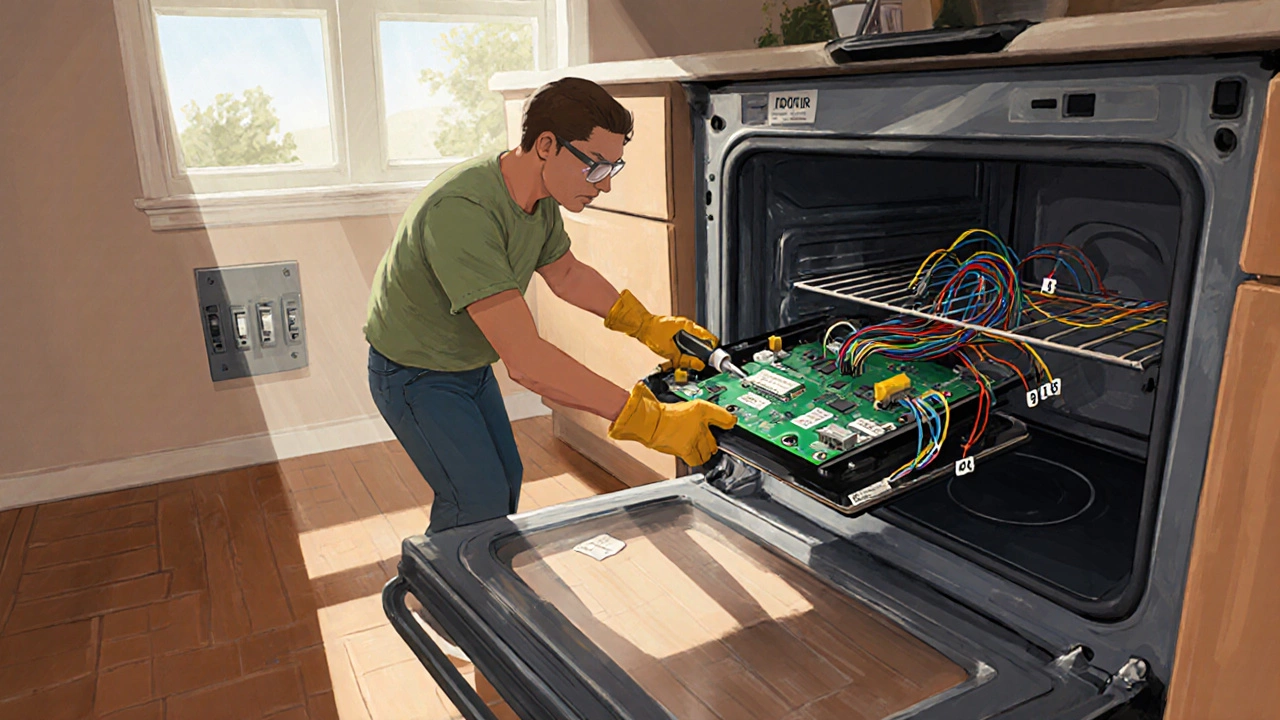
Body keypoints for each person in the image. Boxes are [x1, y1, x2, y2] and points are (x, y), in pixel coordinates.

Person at [364, 76, 737, 537]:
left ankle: (473, 587)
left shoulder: (537, 199)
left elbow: (566, 274)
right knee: (475, 499)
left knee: (504, 481)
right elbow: (527, 362)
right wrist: (651, 420)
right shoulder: (463, 213)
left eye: (612, 170)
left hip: (466, 364)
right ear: (546, 145)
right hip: (413, 372)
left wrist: (649, 326)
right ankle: (437, 601)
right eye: (596, 167)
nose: (604, 187)